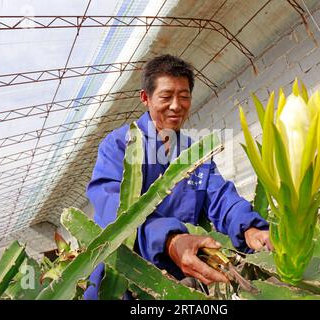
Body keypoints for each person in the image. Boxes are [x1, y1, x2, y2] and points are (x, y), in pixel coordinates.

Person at [84, 54, 273, 300]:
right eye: (166, 96)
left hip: (176, 285)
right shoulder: (119, 144)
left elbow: (220, 197)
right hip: (119, 283)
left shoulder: (195, 154)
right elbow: (112, 206)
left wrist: (250, 227)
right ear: (146, 98)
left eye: (184, 97)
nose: (176, 105)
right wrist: (170, 240)